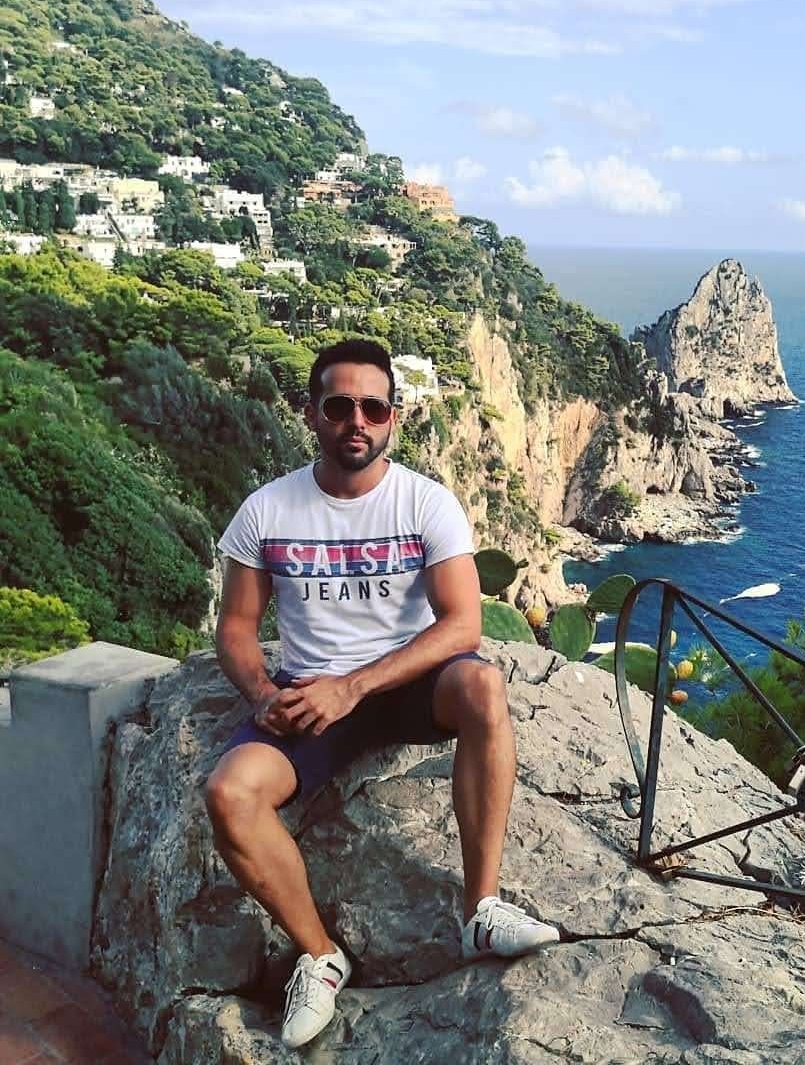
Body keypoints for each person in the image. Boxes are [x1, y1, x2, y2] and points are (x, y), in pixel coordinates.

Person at [204, 339, 559, 1049]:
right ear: (312, 413)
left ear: (394, 416)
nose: (356, 421)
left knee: (482, 685)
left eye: (373, 407)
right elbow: (236, 627)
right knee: (229, 794)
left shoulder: (424, 502)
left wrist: (355, 686)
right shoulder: (267, 510)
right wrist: (262, 692)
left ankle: (481, 909)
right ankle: (319, 955)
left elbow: (461, 624)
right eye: (340, 406)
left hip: (403, 684)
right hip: (310, 701)